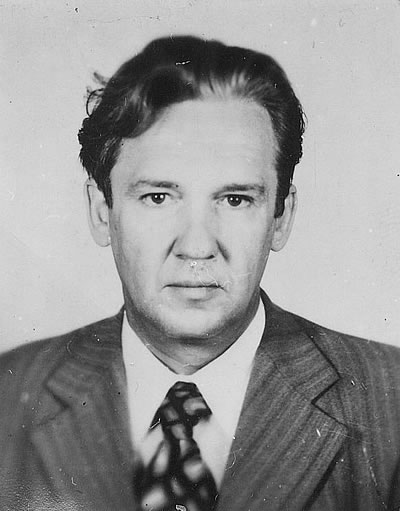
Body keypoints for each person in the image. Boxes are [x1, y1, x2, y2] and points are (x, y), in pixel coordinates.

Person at [0, 35, 399, 511]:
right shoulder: (9, 394)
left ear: (281, 217)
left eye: (235, 199)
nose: (196, 246)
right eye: (158, 197)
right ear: (101, 211)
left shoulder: (391, 401)